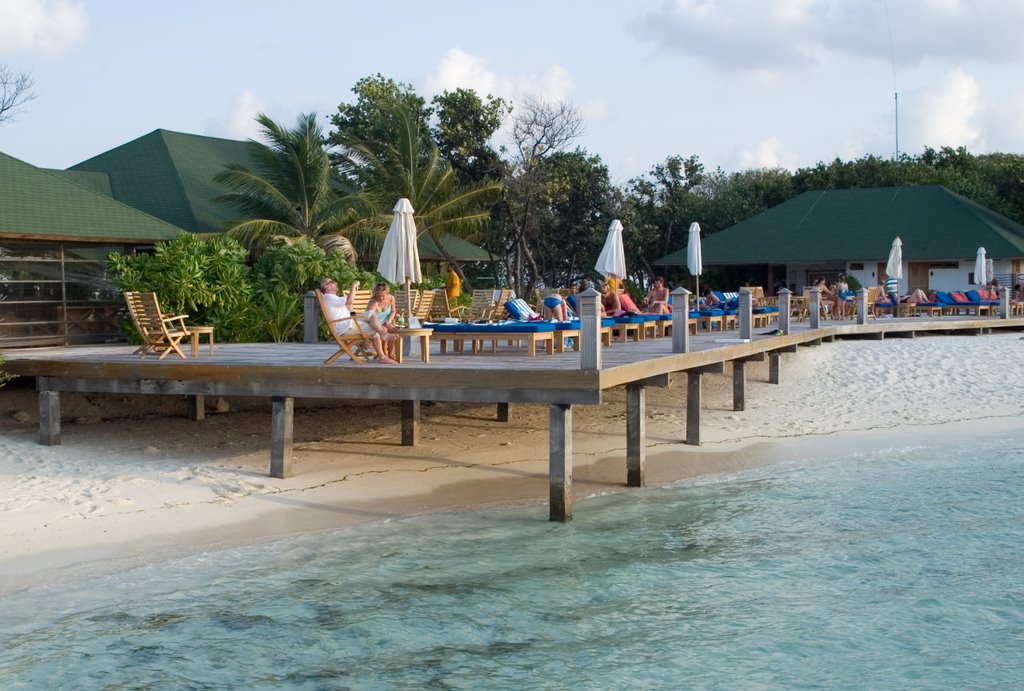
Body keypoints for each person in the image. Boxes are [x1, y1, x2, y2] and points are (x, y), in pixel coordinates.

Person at [319, 278, 397, 364]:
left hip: (349, 322)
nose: (336, 283)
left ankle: (382, 336)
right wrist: (353, 286)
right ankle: (382, 355)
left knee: (372, 315)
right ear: (327, 286)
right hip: (346, 326)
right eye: (332, 282)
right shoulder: (329, 297)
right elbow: (349, 301)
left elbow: (349, 308)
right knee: (376, 327)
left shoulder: (333, 298)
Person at [364, 282, 400, 360]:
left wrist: (389, 321)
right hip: (375, 325)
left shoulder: (391, 298)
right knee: (384, 330)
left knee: (394, 331)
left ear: (387, 294)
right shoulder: (373, 303)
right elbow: (368, 317)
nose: (381, 298)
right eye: (379, 296)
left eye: (383, 296)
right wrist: (366, 338)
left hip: (386, 322)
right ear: (375, 294)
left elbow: (393, 311)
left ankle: (391, 354)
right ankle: (384, 355)